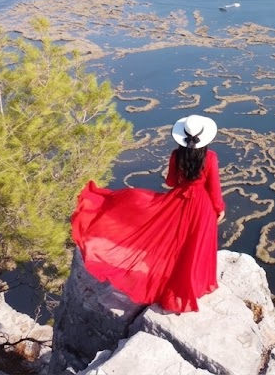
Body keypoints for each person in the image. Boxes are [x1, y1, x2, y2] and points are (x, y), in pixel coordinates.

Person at [71, 114, 226, 313]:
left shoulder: (176, 155)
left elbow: (171, 181)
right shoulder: (210, 157)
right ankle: (195, 283)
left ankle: (172, 280)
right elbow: (214, 188)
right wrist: (219, 209)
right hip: (202, 206)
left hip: (179, 201)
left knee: (176, 244)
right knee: (195, 244)